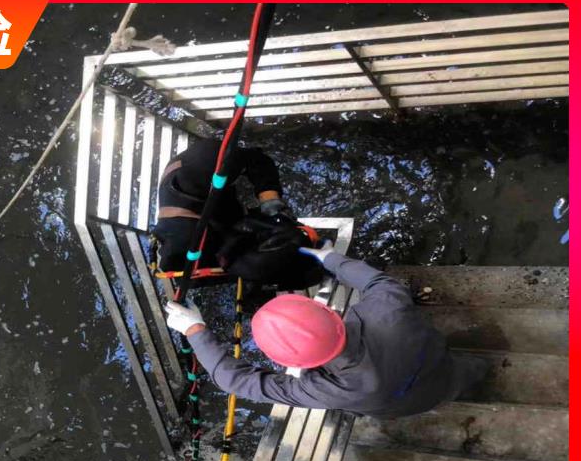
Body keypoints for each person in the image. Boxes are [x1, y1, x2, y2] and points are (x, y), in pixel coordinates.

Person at [165, 242, 488, 419]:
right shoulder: (388, 309)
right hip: (446, 372)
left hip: (403, 407)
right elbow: (377, 281)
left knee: (390, 404)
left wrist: (195, 329)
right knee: (471, 372)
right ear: (328, 312)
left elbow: (235, 380)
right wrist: (330, 258)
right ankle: (481, 373)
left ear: (293, 363)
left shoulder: (328, 390)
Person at [152, 138, 322, 290]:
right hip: (199, 248)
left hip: (209, 205)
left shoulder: (212, 158)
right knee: (259, 264)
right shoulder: (185, 240)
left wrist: (270, 200)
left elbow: (257, 160)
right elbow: (193, 274)